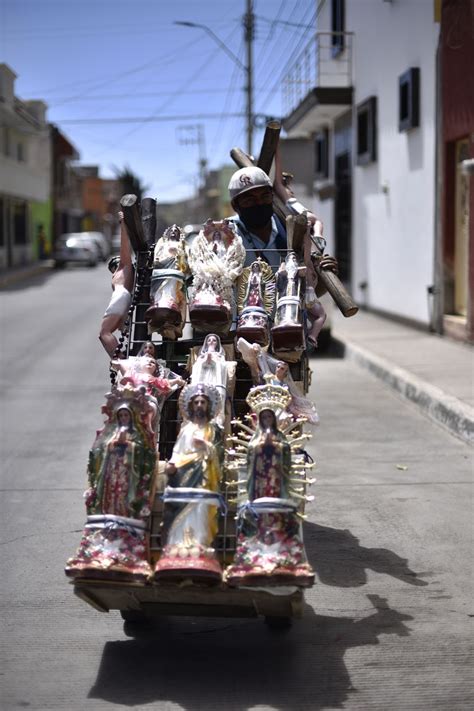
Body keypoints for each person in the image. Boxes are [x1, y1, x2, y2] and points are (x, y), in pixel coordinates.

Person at [154, 383, 224, 581]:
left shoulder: (214, 430)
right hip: (182, 477)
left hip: (204, 477)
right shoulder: (186, 430)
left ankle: (200, 545)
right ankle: (176, 546)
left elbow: (220, 454)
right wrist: (172, 464)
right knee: (179, 511)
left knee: (201, 509)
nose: (200, 405)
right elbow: (178, 452)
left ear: (209, 406)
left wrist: (207, 447)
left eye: (203, 402)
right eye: (196, 402)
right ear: (191, 406)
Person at [99, 211, 134, 358]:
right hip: (123, 299)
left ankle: (120, 360)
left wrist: (123, 223)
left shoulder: (125, 266)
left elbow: (124, 246)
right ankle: (120, 358)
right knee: (107, 332)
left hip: (121, 296)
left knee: (104, 333)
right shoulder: (123, 272)